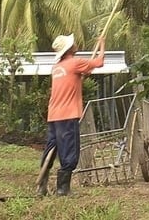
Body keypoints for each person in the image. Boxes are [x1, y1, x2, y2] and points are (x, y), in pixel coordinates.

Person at [36, 33, 105, 197]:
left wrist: (82, 75)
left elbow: (73, 79)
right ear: (69, 49)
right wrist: (102, 44)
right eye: (72, 44)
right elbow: (99, 62)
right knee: (69, 151)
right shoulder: (75, 63)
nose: (75, 45)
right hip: (68, 115)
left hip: (53, 115)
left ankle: (42, 186)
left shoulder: (57, 67)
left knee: (51, 149)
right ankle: (62, 189)